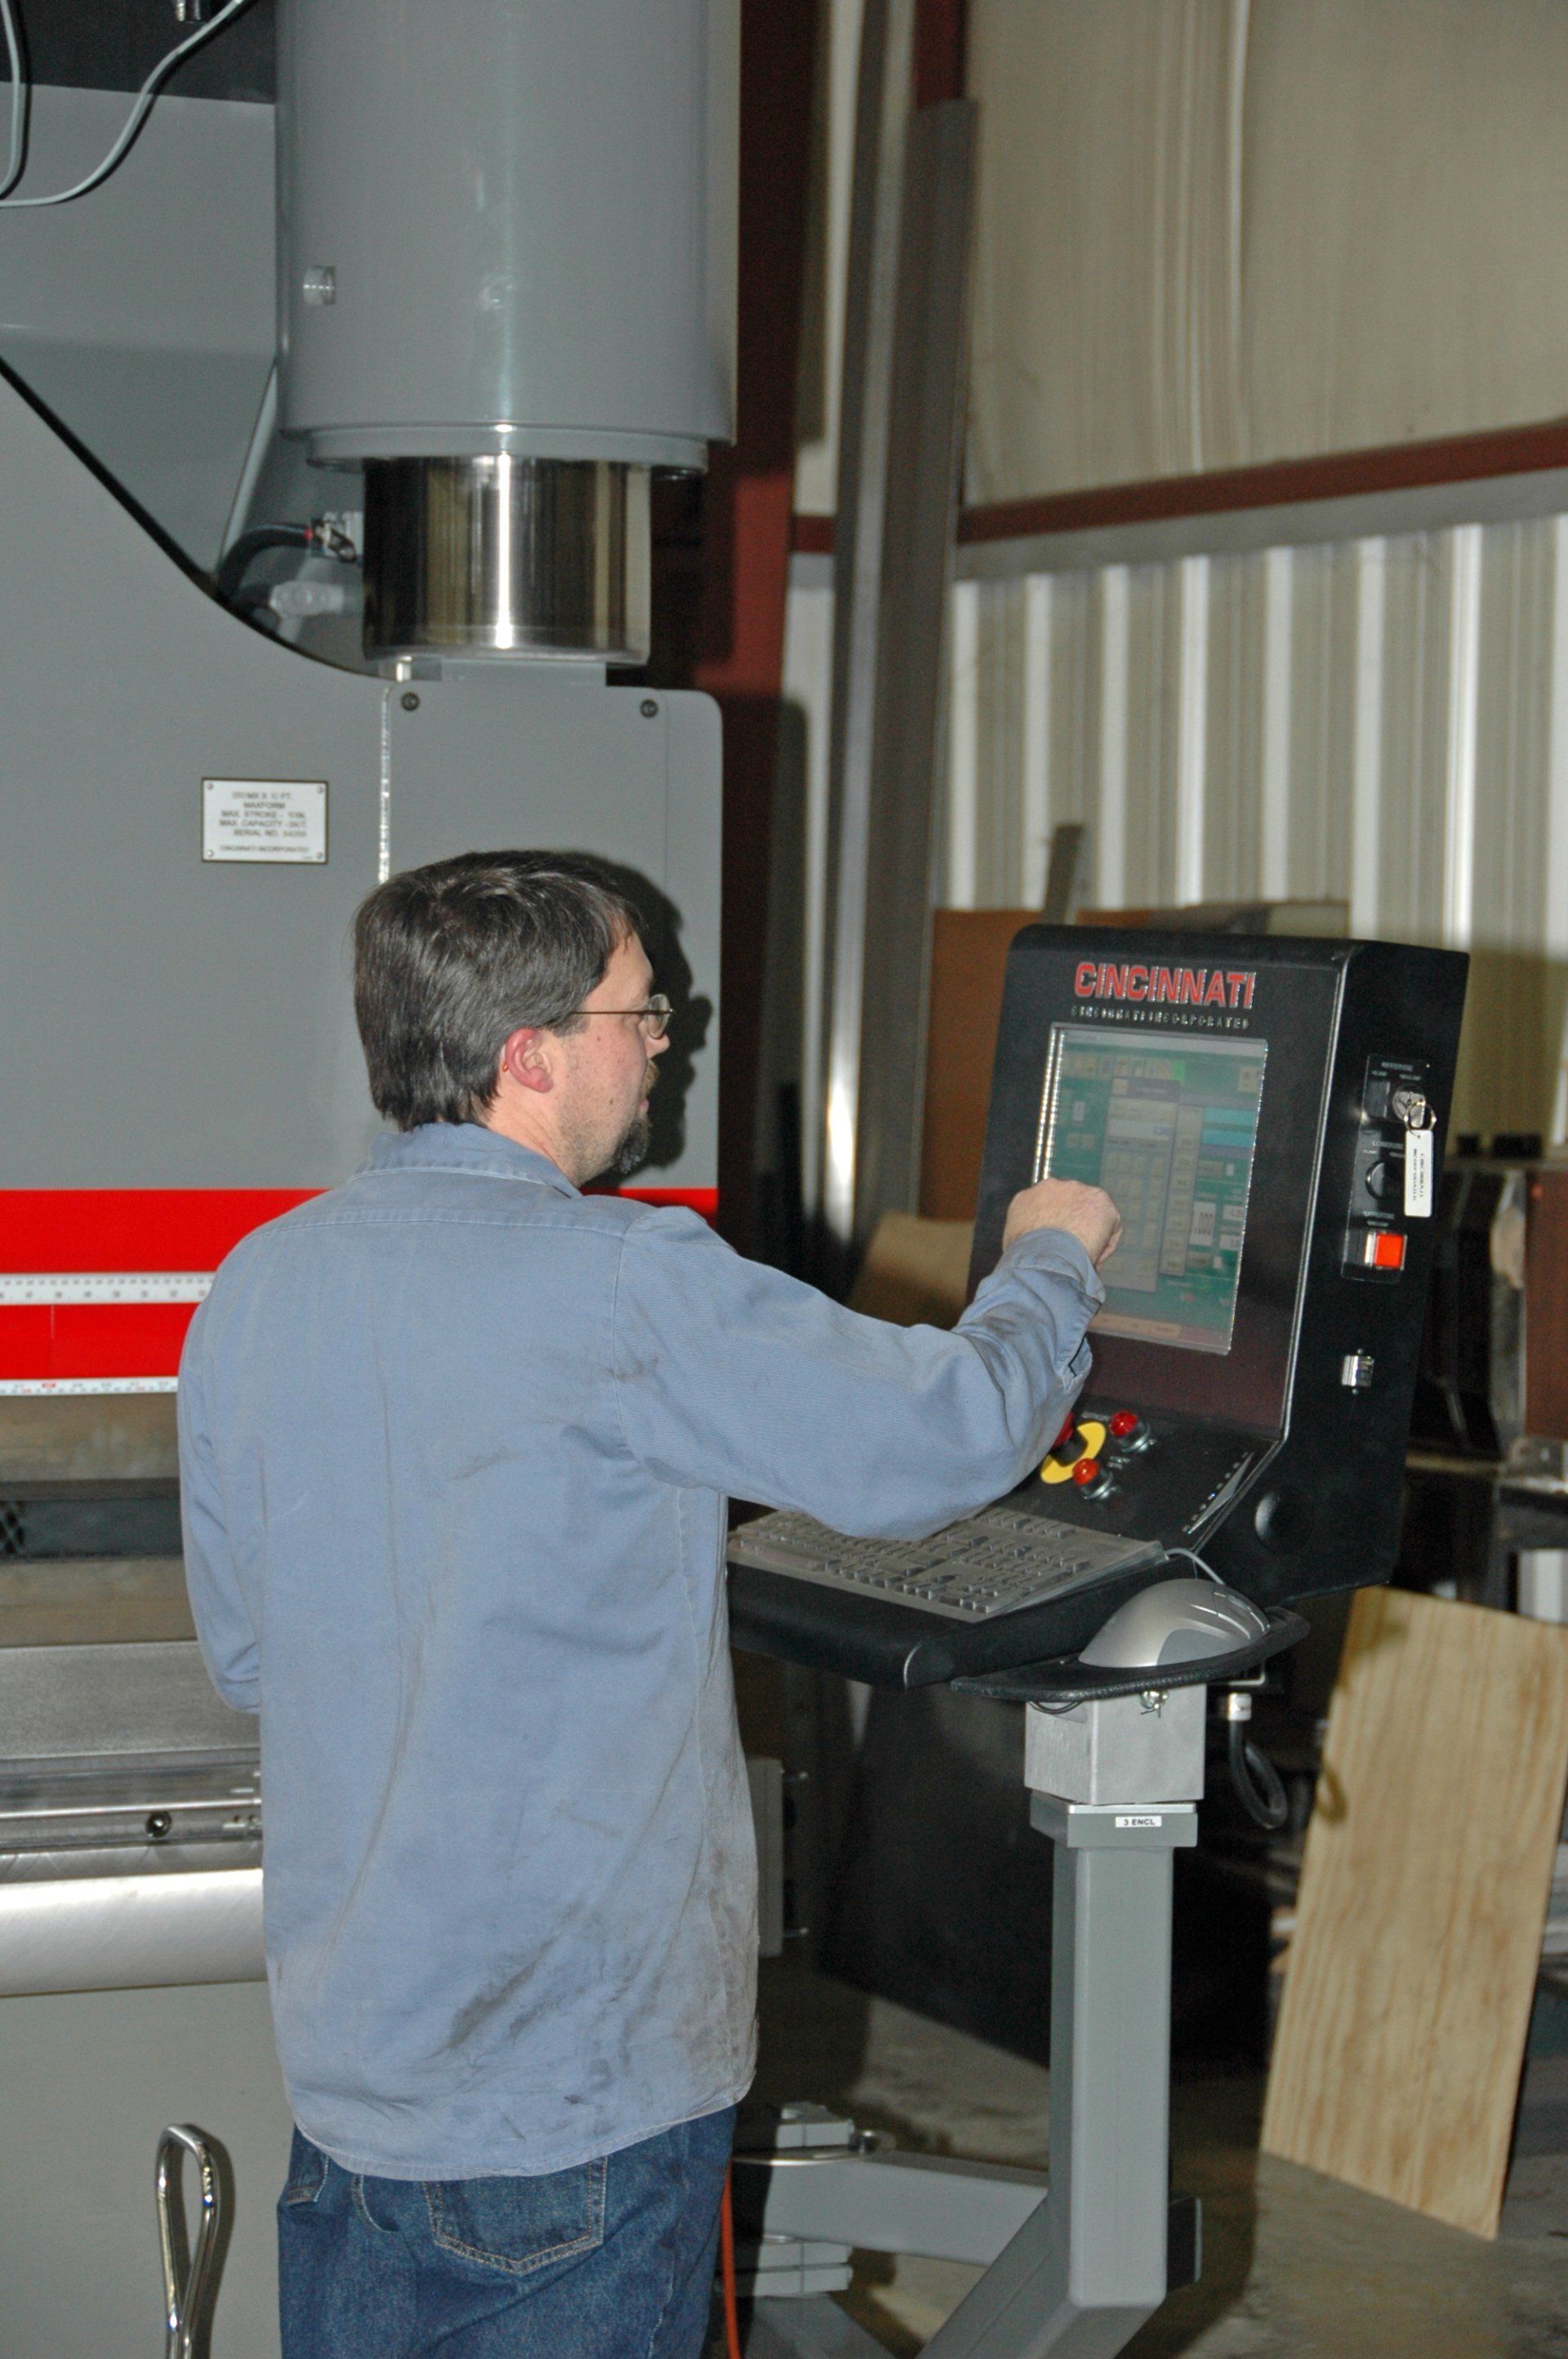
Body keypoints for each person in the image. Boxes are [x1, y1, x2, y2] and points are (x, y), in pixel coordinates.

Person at [178, 849, 1121, 2359]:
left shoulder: (259, 1284)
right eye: (643, 1012)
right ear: (529, 1054)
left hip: (356, 2092)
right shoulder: (625, 1280)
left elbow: (247, 1651)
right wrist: (1049, 1266)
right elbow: (937, 1437)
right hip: (574, 2096)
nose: (660, 1044)